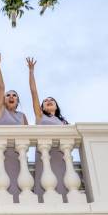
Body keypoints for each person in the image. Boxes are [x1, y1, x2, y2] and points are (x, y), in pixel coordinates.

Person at [27, 57, 69, 201]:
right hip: (46, 156)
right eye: (45, 101)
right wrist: (31, 71)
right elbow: (33, 93)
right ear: (42, 107)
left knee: (65, 186)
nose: (48, 101)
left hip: (62, 158)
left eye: (51, 100)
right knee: (46, 187)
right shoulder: (40, 117)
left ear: (56, 106)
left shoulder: (63, 122)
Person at [0, 50, 27, 201]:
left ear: (18, 101)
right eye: (8, 95)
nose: (11, 97)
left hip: (20, 157)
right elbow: (1, 87)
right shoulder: (0, 111)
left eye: (14, 95)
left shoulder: (22, 117)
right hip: (3, 157)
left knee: (22, 188)